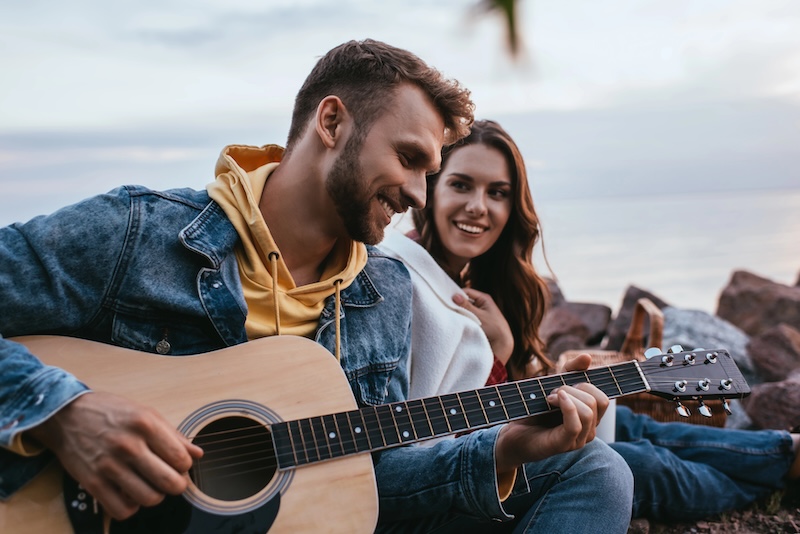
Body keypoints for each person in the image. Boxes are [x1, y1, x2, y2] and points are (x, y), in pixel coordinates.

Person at [0, 40, 631, 533]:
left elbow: (370, 476)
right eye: (408, 159)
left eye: (429, 172)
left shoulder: (382, 291)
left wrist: (503, 450)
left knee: (597, 468)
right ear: (332, 122)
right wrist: (62, 411)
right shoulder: (139, 231)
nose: (419, 195)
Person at [379, 118, 800, 524]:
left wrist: (546, 377)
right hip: (450, 477)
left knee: (636, 426)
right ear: (431, 189)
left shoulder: (468, 279)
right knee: (641, 463)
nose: (478, 206)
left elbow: (485, 396)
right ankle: (780, 471)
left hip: (500, 436)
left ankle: (786, 451)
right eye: (461, 184)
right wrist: (501, 354)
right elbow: (439, 430)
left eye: (498, 192)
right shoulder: (401, 277)